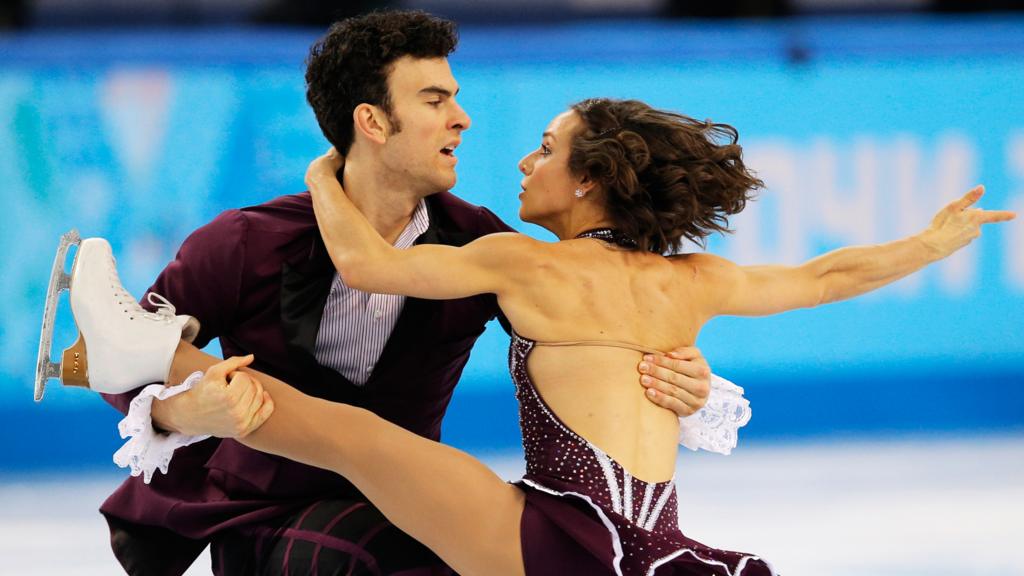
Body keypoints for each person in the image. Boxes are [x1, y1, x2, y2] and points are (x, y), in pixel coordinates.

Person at [58, 98, 1015, 575]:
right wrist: (932, 242)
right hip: (653, 544)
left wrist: (333, 166)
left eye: (548, 151)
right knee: (356, 442)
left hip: (566, 529)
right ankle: (151, 358)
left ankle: (148, 357)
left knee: (348, 437)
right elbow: (823, 276)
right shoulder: (691, 282)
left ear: (591, 181)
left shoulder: (530, 264)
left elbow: (369, 264)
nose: (525, 159)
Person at [36, 11, 715, 576]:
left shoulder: (478, 246)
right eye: (435, 100)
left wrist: (673, 374)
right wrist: (188, 413)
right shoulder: (244, 242)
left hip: (400, 503)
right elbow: (118, 366)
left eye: (455, 96)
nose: (463, 119)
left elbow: (588, 330)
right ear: (373, 122)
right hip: (264, 517)